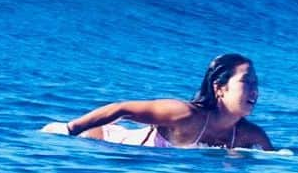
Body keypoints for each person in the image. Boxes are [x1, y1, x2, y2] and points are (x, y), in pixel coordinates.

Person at [43, 53, 272, 150]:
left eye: (256, 83)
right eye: (246, 82)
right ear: (220, 88)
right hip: (102, 143)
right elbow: (120, 108)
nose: (255, 91)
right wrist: (70, 129)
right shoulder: (184, 114)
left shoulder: (251, 135)